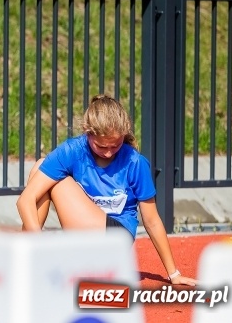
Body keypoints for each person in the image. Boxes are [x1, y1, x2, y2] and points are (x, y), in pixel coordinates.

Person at [16, 94, 197, 286]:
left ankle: (25, 261)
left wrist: (174, 273)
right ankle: (26, 257)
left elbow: (152, 221)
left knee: (49, 175)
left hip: (115, 238)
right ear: (88, 133)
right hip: (87, 234)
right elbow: (25, 200)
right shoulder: (73, 150)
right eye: (102, 146)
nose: (109, 152)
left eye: (116, 145)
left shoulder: (135, 162)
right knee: (40, 167)